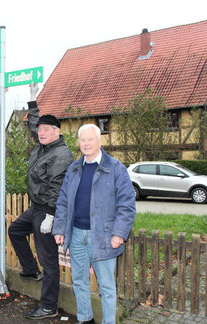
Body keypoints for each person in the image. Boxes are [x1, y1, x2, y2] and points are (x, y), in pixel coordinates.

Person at [52, 124, 136, 324]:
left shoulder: (116, 168)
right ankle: (85, 318)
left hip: (104, 236)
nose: (86, 144)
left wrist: (119, 234)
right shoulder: (73, 169)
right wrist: (60, 229)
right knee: (79, 281)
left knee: (106, 286)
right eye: (83, 140)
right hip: (77, 235)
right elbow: (63, 201)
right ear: (78, 143)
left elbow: (126, 205)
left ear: (100, 141)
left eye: (91, 139)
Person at [8, 83, 74, 320]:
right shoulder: (43, 146)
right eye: (40, 130)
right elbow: (34, 124)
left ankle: (49, 306)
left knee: (49, 260)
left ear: (57, 131)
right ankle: (29, 269)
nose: (42, 132)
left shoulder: (61, 154)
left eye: (47, 129)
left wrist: (50, 215)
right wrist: (33, 101)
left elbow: (58, 187)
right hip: (34, 208)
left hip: (47, 211)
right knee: (15, 231)